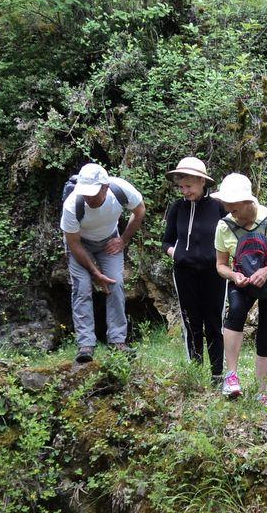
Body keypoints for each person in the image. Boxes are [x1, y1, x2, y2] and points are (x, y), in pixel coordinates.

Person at [211, 173, 267, 403]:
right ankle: (231, 377)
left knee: (266, 335)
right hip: (241, 282)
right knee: (235, 314)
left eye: (235, 209)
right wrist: (234, 275)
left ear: (248, 203)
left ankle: (261, 392)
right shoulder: (224, 226)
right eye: (227, 208)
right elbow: (220, 265)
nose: (231, 214)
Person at [60, 163, 146, 364]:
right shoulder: (72, 205)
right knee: (82, 288)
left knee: (115, 283)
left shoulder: (120, 190)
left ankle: (118, 341)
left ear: (105, 187)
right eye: (86, 193)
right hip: (81, 246)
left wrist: (123, 240)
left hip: (109, 241)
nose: (89, 198)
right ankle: (85, 345)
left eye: (94, 193)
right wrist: (94, 272)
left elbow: (140, 210)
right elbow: (73, 243)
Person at [162, 156, 225, 386]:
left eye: (188, 186)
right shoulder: (177, 208)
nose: (184, 191)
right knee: (191, 322)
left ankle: (217, 374)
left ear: (202, 182)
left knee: (214, 322)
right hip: (184, 273)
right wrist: (176, 254)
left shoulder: (219, 207)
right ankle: (195, 373)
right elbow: (166, 241)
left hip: (214, 273)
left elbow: (231, 236)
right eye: (181, 186)